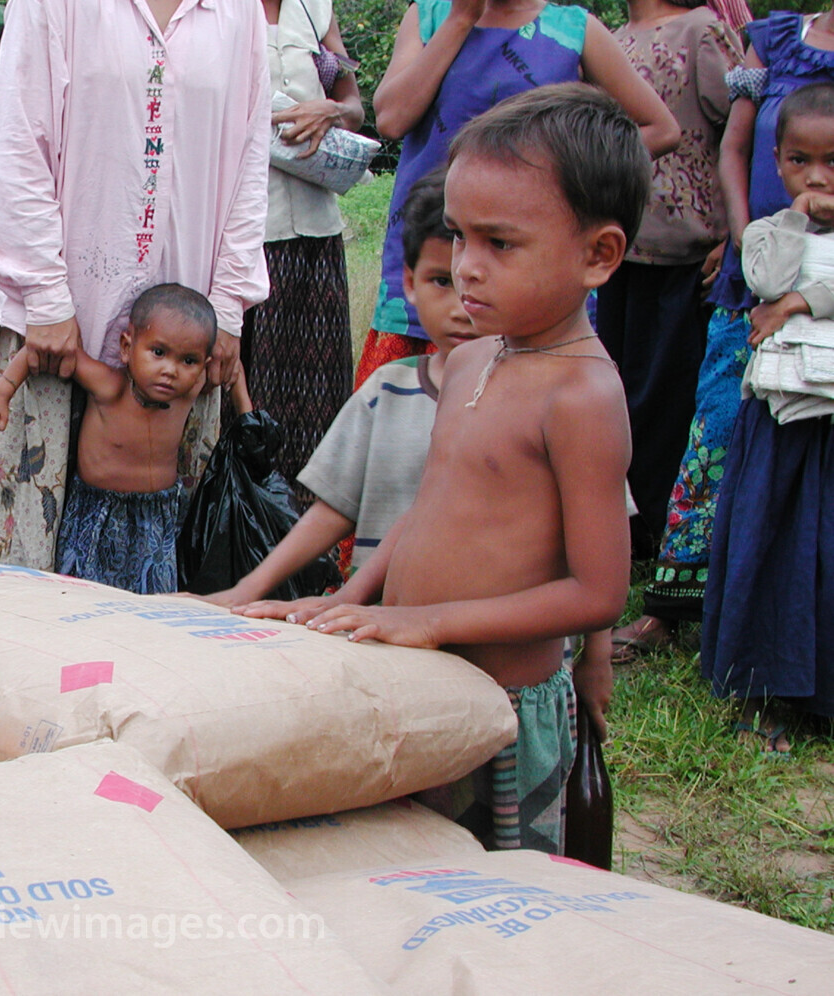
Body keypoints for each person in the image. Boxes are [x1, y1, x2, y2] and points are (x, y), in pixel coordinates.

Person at [244, 84, 645, 854]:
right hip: (417, 684)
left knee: (496, 896)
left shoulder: (582, 396)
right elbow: (426, 511)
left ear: (598, 255)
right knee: (404, 859)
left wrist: (427, 620)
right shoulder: (467, 363)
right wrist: (352, 598)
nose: (468, 269)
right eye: (459, 239)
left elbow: (599, 591)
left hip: (502, 710)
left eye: (501, 244)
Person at [0, 0, 269, 570]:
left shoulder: (238, 13)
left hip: (186, 334)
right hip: (58, 327)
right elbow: (18, 138)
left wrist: (227, 307)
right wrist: (43, 294)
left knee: (170, 579)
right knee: (17, 579)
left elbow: (249, 159)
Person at [618, 6, 834, 656]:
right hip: (761, 274)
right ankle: (673, 606)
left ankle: (796, 614)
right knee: (716, 428)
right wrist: (746, 242)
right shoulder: (772, 39)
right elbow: (734, 147)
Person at [358, 0, 678, 388]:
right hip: (435, 248)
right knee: (410, 414)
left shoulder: (574, 30)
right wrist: (461, 19)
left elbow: (659, 128)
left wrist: (565, 178)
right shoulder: (429, 16)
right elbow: (392, 118)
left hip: (527, 270)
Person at [203, 171, 473, 607]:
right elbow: (335, 508)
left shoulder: (534, 396)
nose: (463, 308)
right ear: (409, 283)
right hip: (374, 631)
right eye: (442, 282)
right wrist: (246, 590)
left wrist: (593, 651)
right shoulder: (387, 390)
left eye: (475, 283)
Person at [702, 83, 834, 754]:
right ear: (777, 161)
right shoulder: (765, 232)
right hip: (782, 418)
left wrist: (801, 304)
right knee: (775, 540)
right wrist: (800, 224)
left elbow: (794, 298)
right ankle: (763, 684)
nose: (817, 178)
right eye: (800, 161)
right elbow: (766, 283)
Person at [597, 0, 742, 582]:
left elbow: (746, 133)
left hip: (687, 252)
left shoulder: (702, 29)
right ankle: (618, 531)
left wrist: (735, 232)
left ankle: (661, 536)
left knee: (668, 401)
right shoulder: (610, 36)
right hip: (617, 249)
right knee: (620, 396)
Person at [0, 284, 215, 594]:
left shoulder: (189, 393)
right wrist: (1, 392)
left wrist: (251, 419)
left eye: (188, 361)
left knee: (155, 603)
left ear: (203, 366)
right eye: (158, 353)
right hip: (96, 513)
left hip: (156, 517)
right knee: (81, 598)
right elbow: (44, 349)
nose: (170, 370)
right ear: (126, 348)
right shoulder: (110, 387)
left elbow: (232, 370)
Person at [244, 0, 363, 507]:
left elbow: (355, 105)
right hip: (249, 232)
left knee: (319, 394)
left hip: (316, 232)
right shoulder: (211, 11)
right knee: (252, 390)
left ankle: (310, 544)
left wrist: (332, 110)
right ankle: (244, 533)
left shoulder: (316, 10)